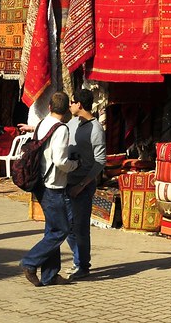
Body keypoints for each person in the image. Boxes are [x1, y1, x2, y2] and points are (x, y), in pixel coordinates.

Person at [20, 91, 78, 286]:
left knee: (52, 230)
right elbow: (60, 161)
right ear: (67, 108)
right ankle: (30, 262)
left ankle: (50, 275)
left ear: (50, 107)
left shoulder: (44, 122)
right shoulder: (61, 129)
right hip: (53, 185)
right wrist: (74, 165)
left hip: (40, 181)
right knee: (61, 230)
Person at [65, 89, 106, 280]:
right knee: (66, 225)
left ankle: (83, 265)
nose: (70, 105)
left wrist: (82, 185)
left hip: (82, 185)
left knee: (80, 227)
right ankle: (77, 260)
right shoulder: (72, 123)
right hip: (67, 182)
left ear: (79, 104)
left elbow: (99, 162)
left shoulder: (96, 129)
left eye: (72, 102)